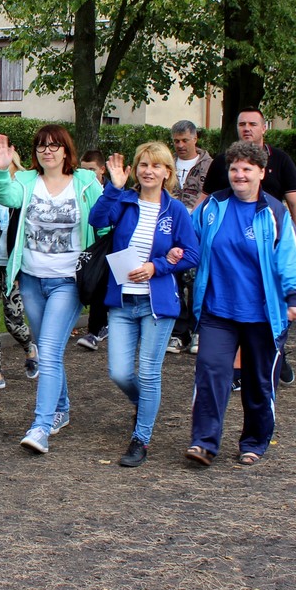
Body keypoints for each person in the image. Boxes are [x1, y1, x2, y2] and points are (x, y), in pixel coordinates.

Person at [185, 141, 296, 467]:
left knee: (258, 382)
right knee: (210, 373)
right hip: (217, 310)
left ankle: (254, 441)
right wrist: (175, 253)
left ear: (261, 173)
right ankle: (203, 443)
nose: (239, 175)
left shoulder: (274, 212)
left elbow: (291, 258)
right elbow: (188, 239)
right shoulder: (212, 207)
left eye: (247, 169)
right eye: (234, 169)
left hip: (262, 315)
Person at [0, 125, 104, 454]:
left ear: (66, 151)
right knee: (47, 348)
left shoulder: (85, 182)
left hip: (68, 282)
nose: (48, 151)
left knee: (49, 353)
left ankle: (40, 427)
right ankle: (61, 409)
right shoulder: (27, 181)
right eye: (41, 146)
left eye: (54, 146)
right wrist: (1, 170)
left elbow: (104, 219)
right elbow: (4, 195)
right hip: (31, 279)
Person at [89, 143, 199, 467]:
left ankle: (141, 439)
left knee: (149, 373)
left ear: (167, 172)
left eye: (156, 165)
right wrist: (114, 187)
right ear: (135, 170)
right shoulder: (124, 201)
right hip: (122, 300)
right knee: (119, 372)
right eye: (143, 165)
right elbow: (97, 220)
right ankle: (145, 404)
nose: (149, 171)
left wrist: (157, 266)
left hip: (157, 304)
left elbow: (192, 254)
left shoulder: (175, 211)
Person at [202, 107, 296, 384]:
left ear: (264, 128)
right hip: (229, 243)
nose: (247, 128)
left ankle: (272, 358)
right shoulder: (221, 163)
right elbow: (203, 203)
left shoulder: (281, 161)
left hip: (266, 244)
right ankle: (238, 370)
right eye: (242, 124)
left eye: (252, 124)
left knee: (264, 317)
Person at [0, 149, 39, 390]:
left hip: (14, 268)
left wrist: (24, 271)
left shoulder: (24, 195)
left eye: (6, 165)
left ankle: (29, 348)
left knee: (14, 320)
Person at [167, 120, 213, 355]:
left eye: (185, 140)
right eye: (176, 141)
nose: (180, 145)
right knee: (173, 278)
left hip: (200, 230)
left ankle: (198, 329)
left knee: (197, 280)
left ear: (195, 138)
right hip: (170, 228)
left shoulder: (210, 165)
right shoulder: (167, 163)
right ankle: (178, 332)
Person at [76, 150, 111, 351]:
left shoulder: (112, 190)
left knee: (102, 284)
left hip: (108, 242)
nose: (87, 174)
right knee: (95, 284)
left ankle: (97, 329)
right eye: (83, 170)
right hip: (90, 244)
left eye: (91, 170)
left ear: (102, 169)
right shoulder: (79, 189)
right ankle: (96, 329)